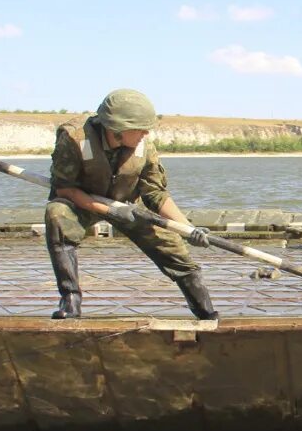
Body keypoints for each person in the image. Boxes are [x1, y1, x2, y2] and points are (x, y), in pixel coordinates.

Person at [44, 88, 217, 322]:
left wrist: (187, 228)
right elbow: (65, 189)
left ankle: (206, 312)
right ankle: (70, 300)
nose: (146, 133)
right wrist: (110, 211)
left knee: (173, 248)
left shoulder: (144, 146)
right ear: (117, 129)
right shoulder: (75, 139)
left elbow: (156, 193)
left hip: (130, 206)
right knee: (57, 213)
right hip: (82, 202)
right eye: (140, 128)